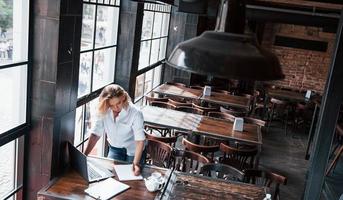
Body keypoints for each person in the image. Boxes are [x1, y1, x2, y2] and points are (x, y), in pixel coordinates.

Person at [84, 84, 146, 176]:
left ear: (123, 98)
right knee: (110, 176)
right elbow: (95, 134)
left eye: (119, 103)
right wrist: (84, 156)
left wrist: (135, 163)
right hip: (115, 149)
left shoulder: (136, 113)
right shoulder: (103, 110)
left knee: (131, 178)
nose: (116, 108)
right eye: (111, 105)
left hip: (134, 150)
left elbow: (140, 141)